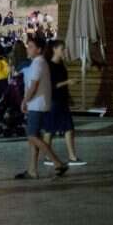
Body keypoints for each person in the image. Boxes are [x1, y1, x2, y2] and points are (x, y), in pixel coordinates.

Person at [14, 36, 69, 180]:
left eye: (31, 46)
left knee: (32, 136)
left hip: (36, 104)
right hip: (38, 103)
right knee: (33, 138)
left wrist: (24, 101)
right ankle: (32, 170)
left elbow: (33, 86)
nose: (28, 48)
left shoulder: (38, 63)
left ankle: (57, 162)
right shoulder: (37, 63)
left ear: (38, 50)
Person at [43, 40, 85, 167]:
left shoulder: (61, 64)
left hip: (62, 100)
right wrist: (68, 82)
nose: (65, 51)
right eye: (62, 49)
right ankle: (48, 156)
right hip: (53, 100)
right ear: (54, 49)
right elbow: (51, 85)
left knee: (69, 128)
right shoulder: (49, 66)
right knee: (50, 130)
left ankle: (72, 157)